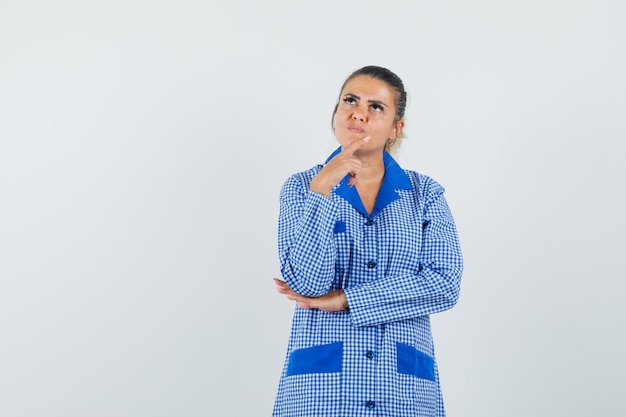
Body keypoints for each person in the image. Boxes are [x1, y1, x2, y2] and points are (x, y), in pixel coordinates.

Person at [272, 65, 463, 417]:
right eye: (350, 100)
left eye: (376, 107)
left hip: (403, 390)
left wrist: (347, 299)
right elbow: (306, 283)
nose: (359, 112)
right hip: (322, 391)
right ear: (336, 112)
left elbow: (444, 284)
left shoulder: (426, 195)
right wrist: (323, 189)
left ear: (396, 128)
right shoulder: (301, 188)